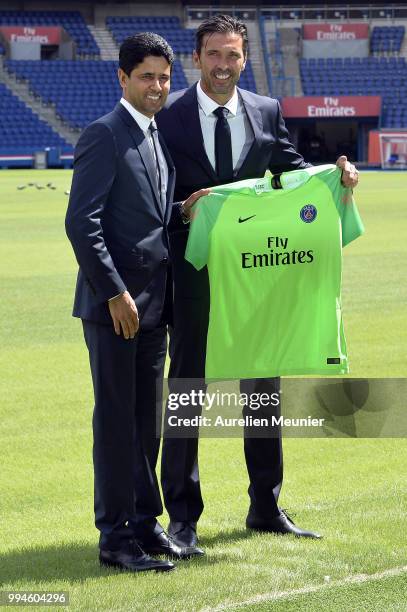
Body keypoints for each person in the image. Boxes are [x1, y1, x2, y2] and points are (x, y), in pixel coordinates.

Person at [156, 14, 359, 554]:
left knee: (262, 393)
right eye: (215, 55)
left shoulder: (266, 112)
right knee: (187, 394)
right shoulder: (168, 115)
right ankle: (181, 518)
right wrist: (183, 211)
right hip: (195, 278)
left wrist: (334, 175)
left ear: (245, 59)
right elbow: (153, 195)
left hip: (256, 280)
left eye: (234, 56)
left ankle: (265, 506)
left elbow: (291, 176)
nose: (224, 66)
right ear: (197, 57)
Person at [65, 33, 207, 573]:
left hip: (154, 308)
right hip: (115, 308)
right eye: (146, 76)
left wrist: (181, 210)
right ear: (122, 78)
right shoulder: (104, 134)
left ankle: (146, 526)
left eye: (164, 77)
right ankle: (115, 538)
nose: (157, 86)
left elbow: (144, 216)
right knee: (118, 425)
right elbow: (83, 223)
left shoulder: (155, 135)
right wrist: (116, 293)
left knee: (148, 422)